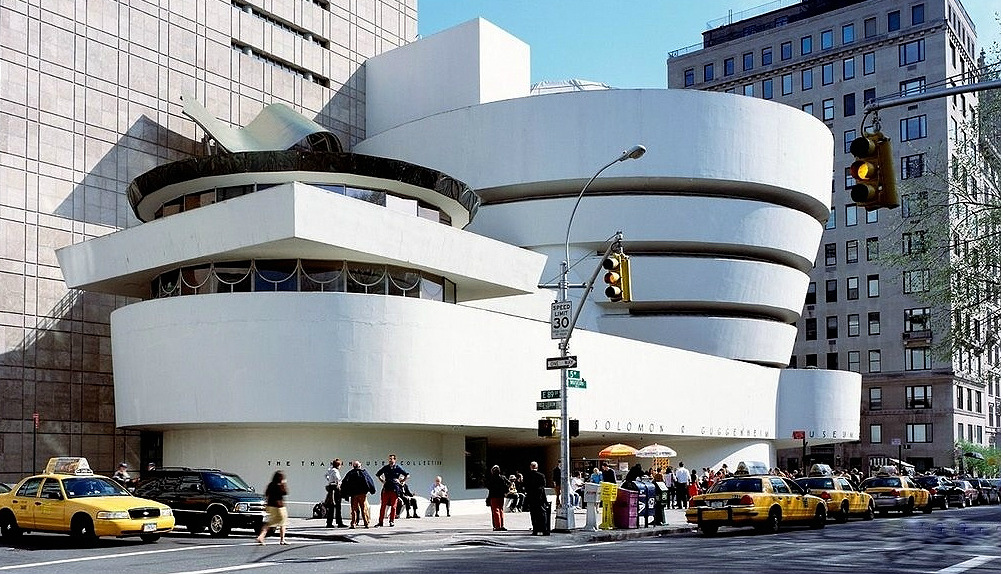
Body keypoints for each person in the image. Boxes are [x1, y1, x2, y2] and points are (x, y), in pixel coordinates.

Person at [375, 453, 408, 527]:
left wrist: (401, 481)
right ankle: (380, 522)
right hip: (386, 488)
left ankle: (392, 521)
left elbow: (407, 475)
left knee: (393, 506)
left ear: (395, 460)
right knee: (383, 506)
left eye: (392, 459)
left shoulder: (398, 468)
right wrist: (382, 481)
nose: (390, 460)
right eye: (389, 459)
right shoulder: (385, 467)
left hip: (395, 488)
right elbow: (378, 474)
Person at [340, 460, 376, 528]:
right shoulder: (364, 473)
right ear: (360, 466)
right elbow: (369, 481)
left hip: (354, 494)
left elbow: (345, 483)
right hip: (362, 494)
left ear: (353, 466)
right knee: (364, 508)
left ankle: (353, 523)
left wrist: (345, 493)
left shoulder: (350, 473)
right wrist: (371, 490)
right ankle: (366, 523)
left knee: (354, 509)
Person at [256, 470, 289, 545]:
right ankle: (282, 539)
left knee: (269, 523)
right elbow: (285, 492)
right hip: (279, 507)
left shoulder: (270, 484)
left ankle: (261, 536)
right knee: (283, 522)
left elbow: (266, 494)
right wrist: (284, 483)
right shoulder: (279, 485)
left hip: (270, 506)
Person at [524, 461, 549, 535]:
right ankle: (544, 530)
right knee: (542, 514)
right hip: (540, 497)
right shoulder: (541, 476)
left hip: (531, 497)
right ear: (537, 467)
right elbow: (543, 486)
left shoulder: (527, 476)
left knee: (533, 514)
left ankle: (535, 530)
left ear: (530, 467)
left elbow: (526, 487)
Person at [323, 458, 346, 528]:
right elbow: (338, 479)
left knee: (331, 506)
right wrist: (339, 483)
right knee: (338, 506)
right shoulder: (336, 471)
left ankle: (329, 522)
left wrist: (329, 480)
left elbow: (325, 475)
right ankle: (339, 522)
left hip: (330, 488)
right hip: (335, 488)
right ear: (338, 465)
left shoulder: (330, 470)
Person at [486, 465, 510, 531]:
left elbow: (488, 486)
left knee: (495, 510)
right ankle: (501, 525)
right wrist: (505, 490)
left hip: (493, 495)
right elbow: (509, 483)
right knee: (501, 510)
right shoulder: (503, 477)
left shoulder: (491, 478)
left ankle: (497, 526)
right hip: (501, 495)